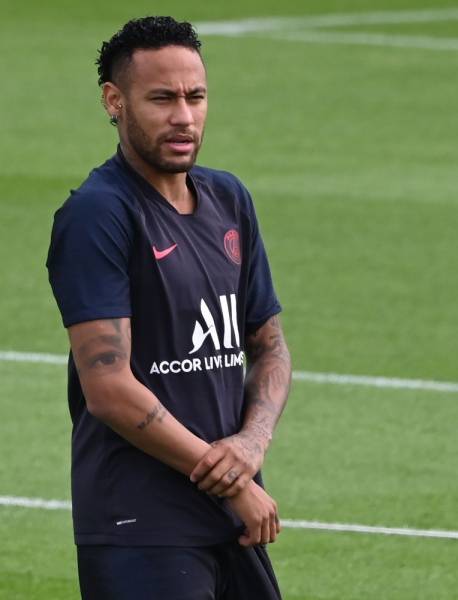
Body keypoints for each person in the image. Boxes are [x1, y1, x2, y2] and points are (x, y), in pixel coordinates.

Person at [46, 15, 291, 600]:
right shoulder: (99, 214)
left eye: (195, 97)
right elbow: (108, 388)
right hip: (140, 525)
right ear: (115, 101)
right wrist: (232, 481)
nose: (184, 116)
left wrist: (251, 445)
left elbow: (270, 346)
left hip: (229, 519)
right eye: (162, 99)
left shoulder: (229, 198)